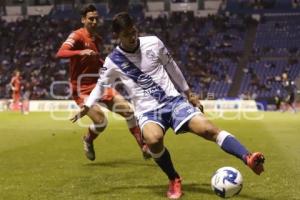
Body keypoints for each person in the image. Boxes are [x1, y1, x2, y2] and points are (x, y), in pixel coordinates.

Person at [71, 12, 265, 199]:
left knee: (208, 129)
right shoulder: (113, 61)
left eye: (133, 31)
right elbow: (101, 86)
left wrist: (189, 93)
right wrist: (87, 105)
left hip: (173, 102)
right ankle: (174, 178)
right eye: (126, 34)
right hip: (147, 111)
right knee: (153, 140)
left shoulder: (153, 42)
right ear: (117, 36)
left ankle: (247, 157)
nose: (132, 36)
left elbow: (172, 67)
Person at [56, 5, 150, 161]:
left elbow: (97, 61)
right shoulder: (77, 36)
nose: (94, 21)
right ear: (83, 20)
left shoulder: (96, 39)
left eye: (96, 19)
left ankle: (144, 147)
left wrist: (111, 68)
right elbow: (61, 53)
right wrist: (80, 52)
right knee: (101, 122)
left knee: (128, 111)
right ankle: (88, 139)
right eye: (90, 18)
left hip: (99, 85)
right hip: (81, 89)